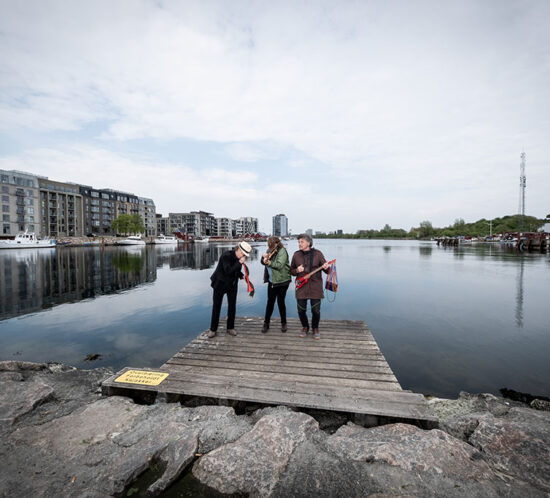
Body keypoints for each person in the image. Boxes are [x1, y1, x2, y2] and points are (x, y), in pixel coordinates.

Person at [208, 241, 252, 338]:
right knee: (216, 306)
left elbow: (236, 270)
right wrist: (239, 262)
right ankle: (213, 329)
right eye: (244, 254)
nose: (244, 256)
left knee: (232, 306)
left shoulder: (239, 258)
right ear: (239, 250)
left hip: (232, 285)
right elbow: (228, 270)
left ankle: (230, 328)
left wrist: (241, 276)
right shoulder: (226, 256)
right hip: (220, 284)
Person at [290, 234, 329, 340]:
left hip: (315, 286)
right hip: (301, 286)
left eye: (301, 242)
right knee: (301, 310)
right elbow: (291, 271)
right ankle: (305, 326)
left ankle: (315, 327)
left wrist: (327, 267)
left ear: (308, 243)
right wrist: (297, 270)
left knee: (316, 310)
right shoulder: (296, 255)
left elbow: (327, 271)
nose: (299, 244)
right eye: (298, 242)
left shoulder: (318, 254)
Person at [260, 236, 291, 333]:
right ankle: (266, 323)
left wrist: (268, 262)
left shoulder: (282, 251)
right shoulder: (269, 250)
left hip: (282, 281)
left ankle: (284, 323)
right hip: (272, 280)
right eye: (268, 245)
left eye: (271, 245)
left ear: (276, 244)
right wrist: (263, 258)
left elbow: (279, 265)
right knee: (270, 302)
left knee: (281, 302)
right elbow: (264, 263)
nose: (269, 247)